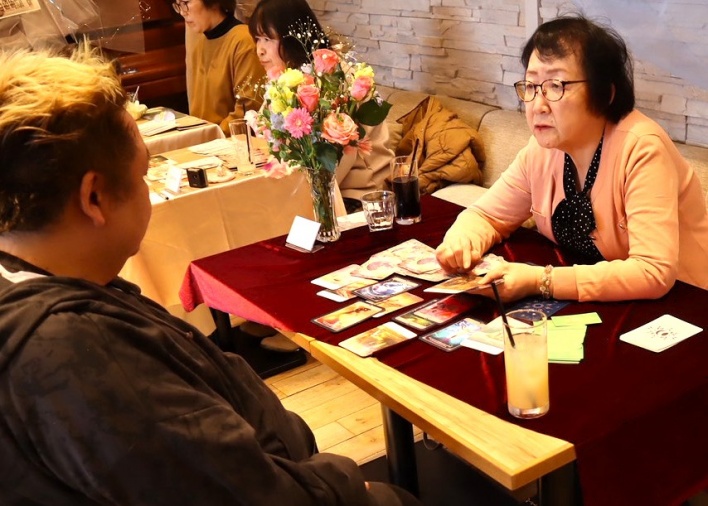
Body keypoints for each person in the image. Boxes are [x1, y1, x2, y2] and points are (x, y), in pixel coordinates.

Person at [0, 45, 421, 506]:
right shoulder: (81, 354)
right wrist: (346, 487)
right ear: (94, 198)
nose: (145, 191)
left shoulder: (45, 287)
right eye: (142, 176)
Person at [436, 14, 708, 302]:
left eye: (556, 86)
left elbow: (653, 272)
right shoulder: (541, 149)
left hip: (681, 305)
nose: (538, 105)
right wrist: (461, 242)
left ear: (605, 93)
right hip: (596, 299)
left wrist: (541, 281)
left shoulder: (642, 148)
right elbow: (487, 215)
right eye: (531, 86)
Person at [248, 0, 395, 212]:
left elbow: (335, 165)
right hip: (318, 188)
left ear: (292, 37)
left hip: (360, 194)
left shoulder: (333, 78)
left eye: (268, 39)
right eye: (257, 39)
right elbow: (269, 137)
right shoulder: (287, 78)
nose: (259, 50)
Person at [178, 0, 265, 134]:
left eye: (186, 2)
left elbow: (247, 110)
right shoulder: (200, 42)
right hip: (203, 136)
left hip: (229, 139)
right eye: (178, 5)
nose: (182, 12)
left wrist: (208, 136)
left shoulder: (243, 41)